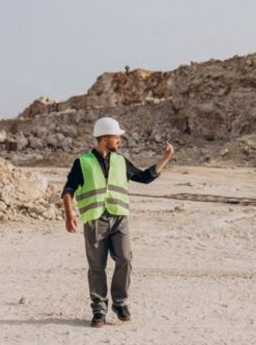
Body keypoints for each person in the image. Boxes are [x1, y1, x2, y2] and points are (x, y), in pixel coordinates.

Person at [61, 116, 174, 328]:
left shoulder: (121, 161)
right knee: (97, 266)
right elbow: (68, 191)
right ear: (105, 138)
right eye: (116, 137)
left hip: (119, 217)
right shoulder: (82, 163)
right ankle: (99, 308)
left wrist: (165, 158)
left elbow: (144, 177)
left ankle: (119, 302)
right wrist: (70, 214)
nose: (119, 141)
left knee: (125, 259)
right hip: (95, 220)